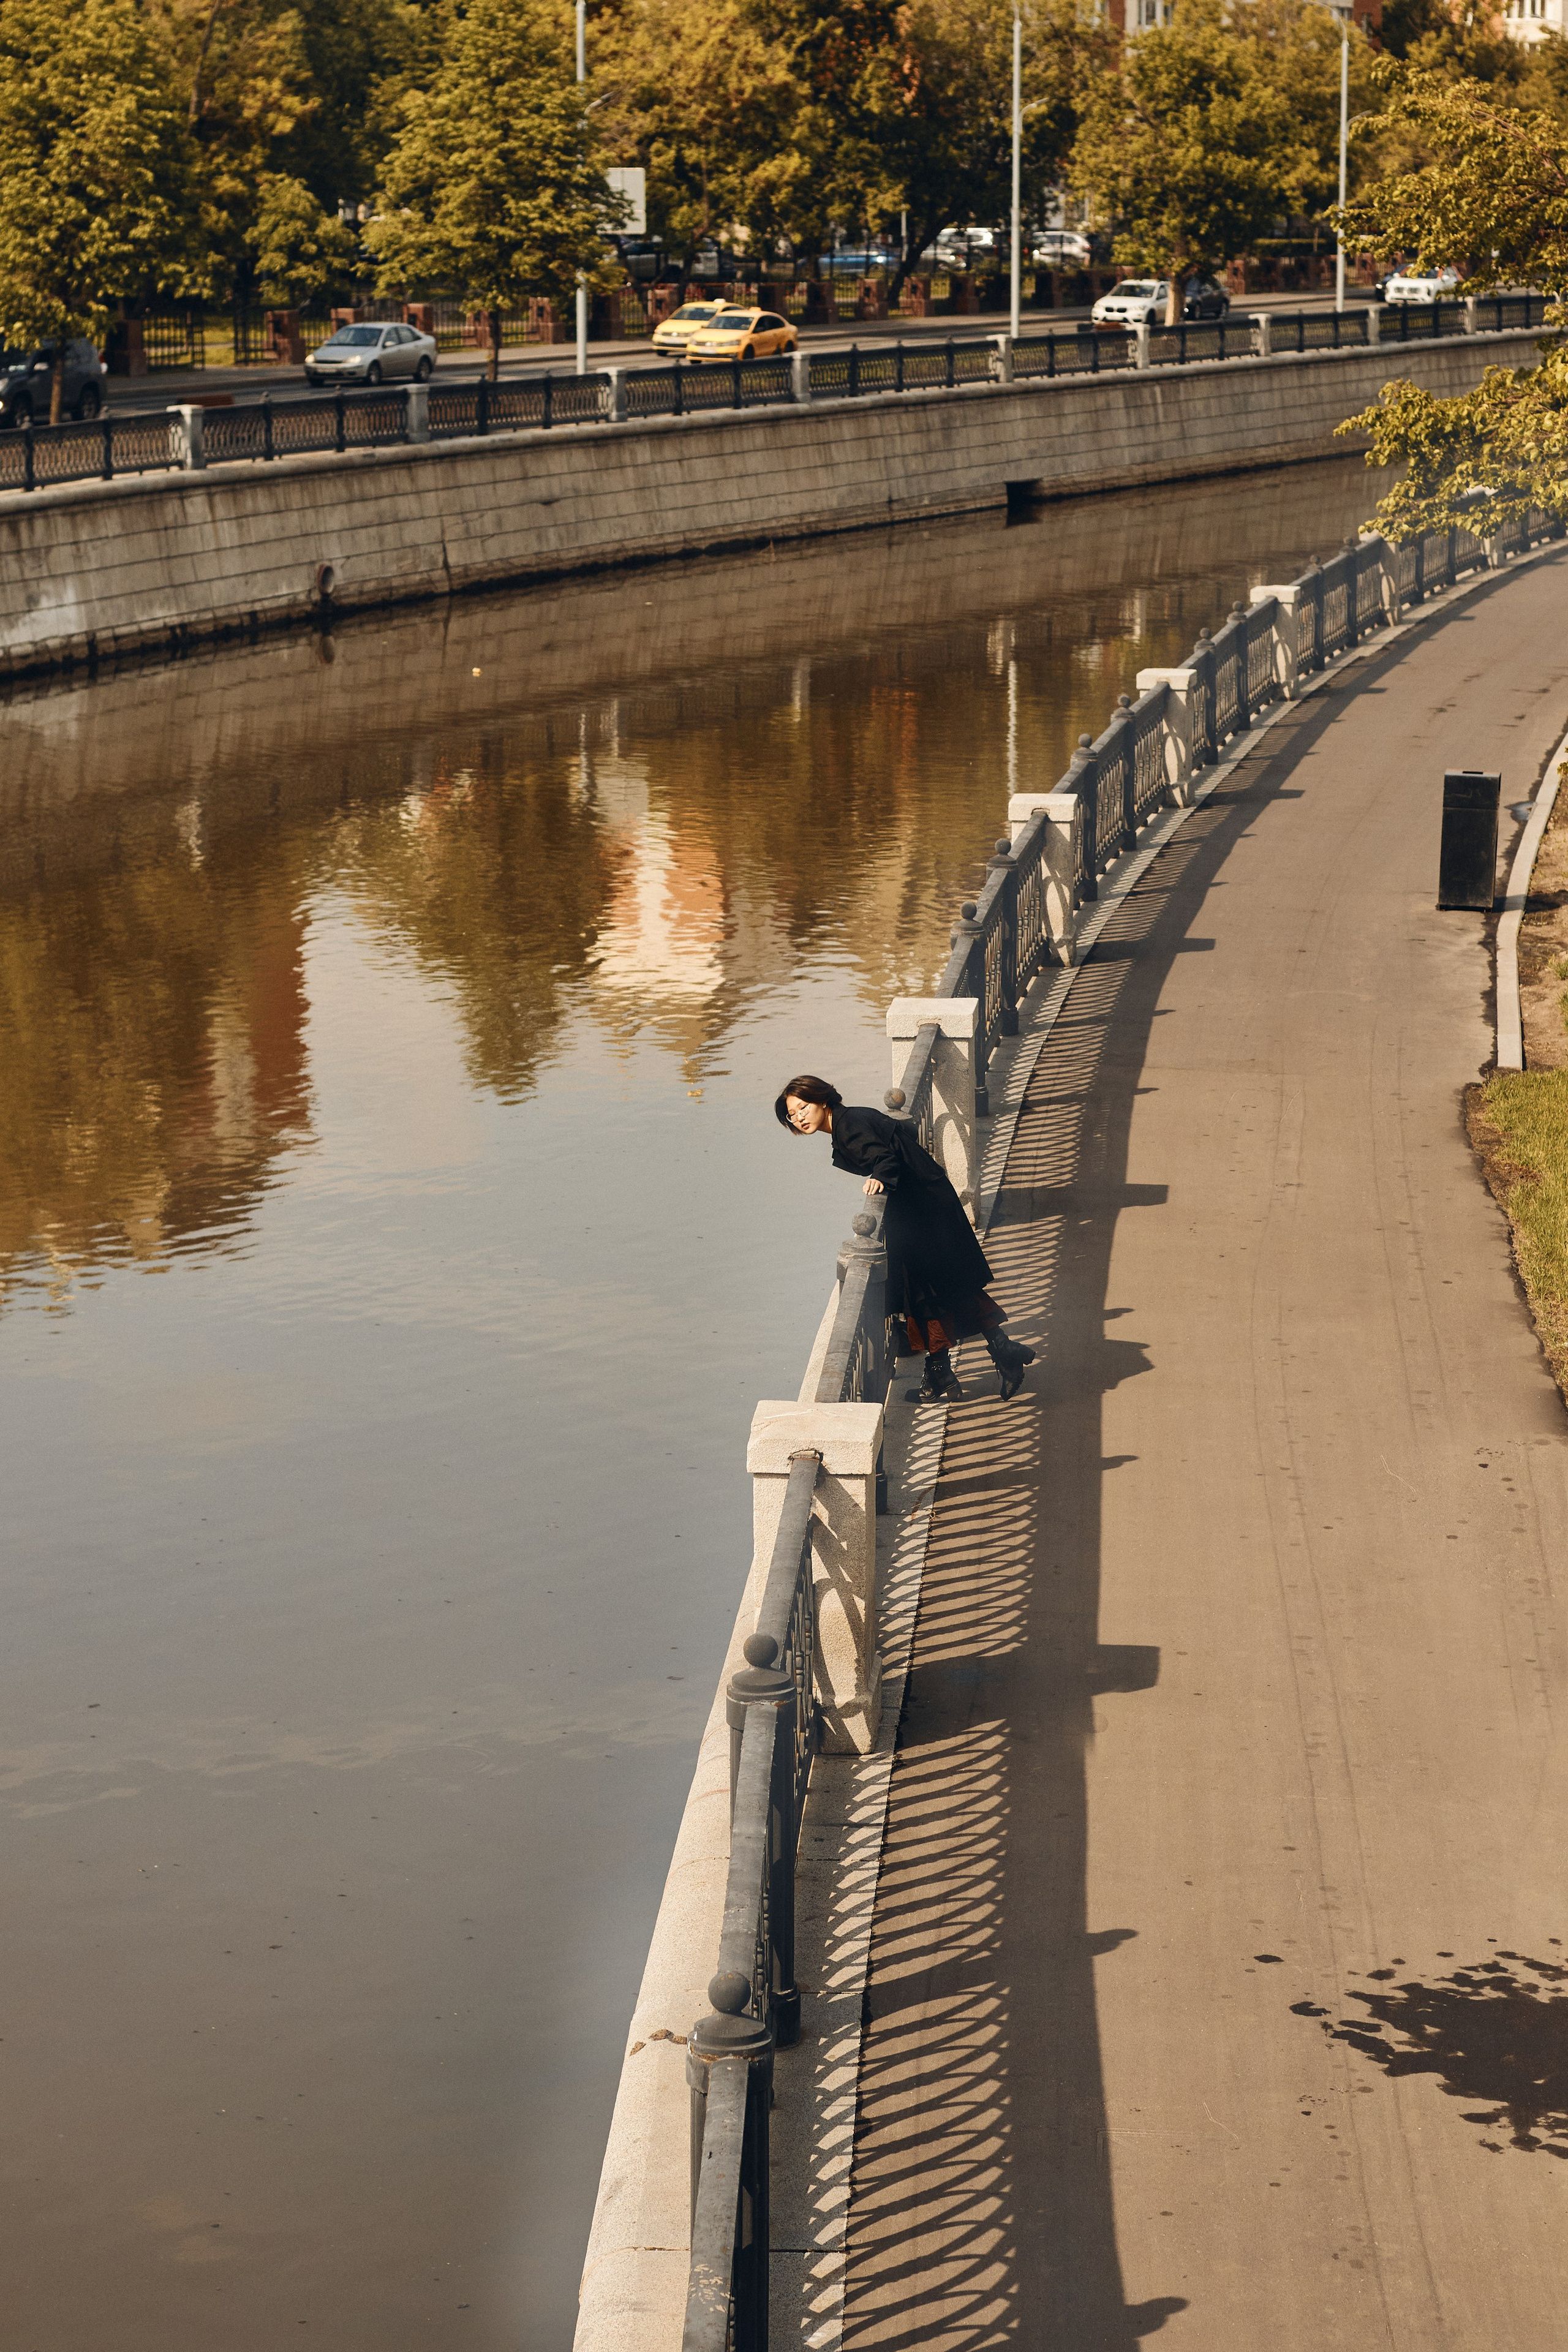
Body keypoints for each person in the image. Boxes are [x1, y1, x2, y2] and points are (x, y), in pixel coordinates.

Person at [775, 1074, 1034, 1403]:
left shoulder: (848, 1127)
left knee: (932, 1290)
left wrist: (880, 1175)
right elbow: (905, 1132)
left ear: (823, 1100)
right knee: (931, 1290)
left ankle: (989, 1355)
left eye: (803, 1107)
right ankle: (949, 1368)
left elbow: (886, 1157)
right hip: (926, 1203)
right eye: (792, 1114)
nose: (799, 1117)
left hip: (921, 1212)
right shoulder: (852, 1117)